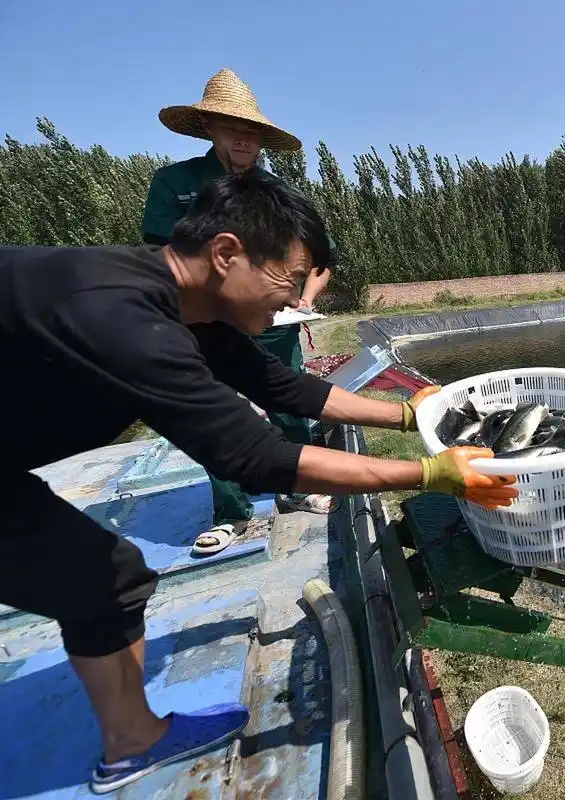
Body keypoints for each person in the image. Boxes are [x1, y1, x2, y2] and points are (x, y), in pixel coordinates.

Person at [0, 171, 518, 793]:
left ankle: (127, 737)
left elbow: (282, 388)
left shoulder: (185, 301)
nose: (294, 301)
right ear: (226, 253)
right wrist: (432, 474)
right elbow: (258, 458)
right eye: (289, 281)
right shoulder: (126, 323)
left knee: (106, 578)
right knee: (103, 576)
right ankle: (131, 743)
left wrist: (412, 414)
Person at [142, 68, 334, 556]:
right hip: (204, 326)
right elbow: (160, 254)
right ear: (208, 127)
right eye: (232, 128)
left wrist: (302, 296)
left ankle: (294, 488)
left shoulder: (276, 194)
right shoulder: (175, 183)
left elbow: (319, 257)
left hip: (271, 326)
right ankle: (231, 511)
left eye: (253, 132)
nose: (244, 140)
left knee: (291, 406)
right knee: (214, 416)